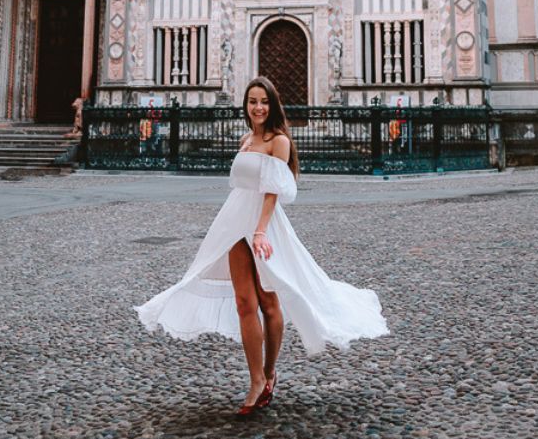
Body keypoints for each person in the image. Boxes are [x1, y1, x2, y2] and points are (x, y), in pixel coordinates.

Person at [134, 75, 388, 415]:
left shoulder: (278, 141)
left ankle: (270, 372)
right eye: (253, 101)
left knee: (269, 301)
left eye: (264, 102)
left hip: (262, 226)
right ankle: (255, 380)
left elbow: (273, 190)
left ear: (273, 105)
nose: (258, 107)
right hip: (233, 221)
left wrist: (260, 231)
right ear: (246, 105)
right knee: (244, 303)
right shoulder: (245, 139)